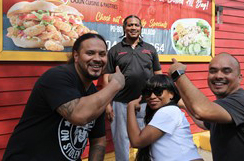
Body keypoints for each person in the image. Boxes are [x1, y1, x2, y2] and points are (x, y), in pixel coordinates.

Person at [3, 33, 125, 161]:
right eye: (90, 53)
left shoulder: (95, 94)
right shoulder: (57, 77)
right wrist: (115, 84)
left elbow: (98, 142)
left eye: (102, 54)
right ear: (76, 56)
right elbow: (78, 115)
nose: (97, 59)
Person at [168, 53, 244, 161]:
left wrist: (178, 74)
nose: (218, 76)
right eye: (213, 71)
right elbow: (203, 123)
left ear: (239, 77)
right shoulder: (222, 107)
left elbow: (201, 111)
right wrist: (183, 103)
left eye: (226, 71)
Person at [103, 15, 162, 161]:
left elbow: (158, 74)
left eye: (136, 25)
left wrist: (159, 98)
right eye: (130, 25)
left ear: (141, 28)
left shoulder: (150, 49)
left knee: (146, 136)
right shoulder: (115, 50)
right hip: (120, 102)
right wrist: (107, 104)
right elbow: (106, 77)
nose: (133, 28)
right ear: (124, 28)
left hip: (146, 102)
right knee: (121, 138)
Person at [127, 74, 203, 161]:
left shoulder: (168, 111)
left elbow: (137, 141)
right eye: (148, 93)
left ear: (171, 94)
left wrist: (130, 107)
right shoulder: (167, 112)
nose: (152, 96)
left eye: (158, 91)